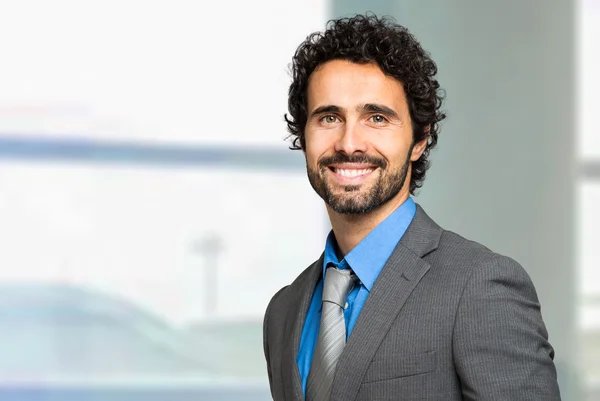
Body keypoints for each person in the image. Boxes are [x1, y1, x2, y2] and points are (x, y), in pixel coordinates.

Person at [262, 14, 561, 401]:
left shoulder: (479, 287)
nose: (349, 142)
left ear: (419, 140)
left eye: (377, 118)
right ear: (304, 135)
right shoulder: (284, 312)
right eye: (329, 117)